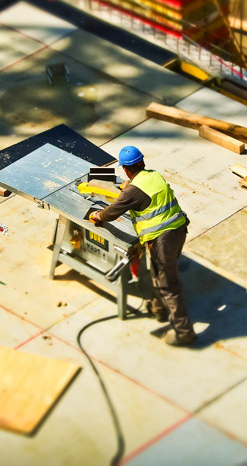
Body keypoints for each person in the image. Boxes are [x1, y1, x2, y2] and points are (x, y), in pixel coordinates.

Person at [88, 146, 197, 346]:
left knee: (167, 285)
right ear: (141, 163)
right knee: (160, 272)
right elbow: (144, 191)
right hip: (179, 230)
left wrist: (96, 215)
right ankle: (159, 310)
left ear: (126, 169)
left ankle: (185, 332)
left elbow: (111, 213)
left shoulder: (132, 191)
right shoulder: (153, 176)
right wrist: (130, 185)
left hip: (162, 240)